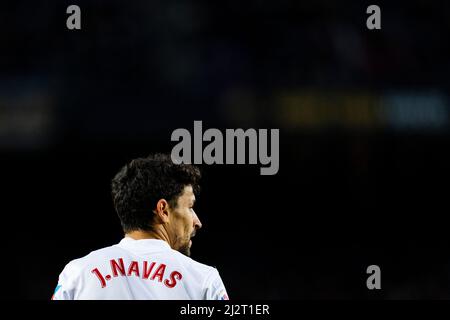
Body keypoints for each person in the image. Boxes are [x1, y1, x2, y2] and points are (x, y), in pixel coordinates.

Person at [52, 153, 229, 300]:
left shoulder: (77, 274)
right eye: (190, 207)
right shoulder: (203, 280)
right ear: (163, 210)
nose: (197, 222)